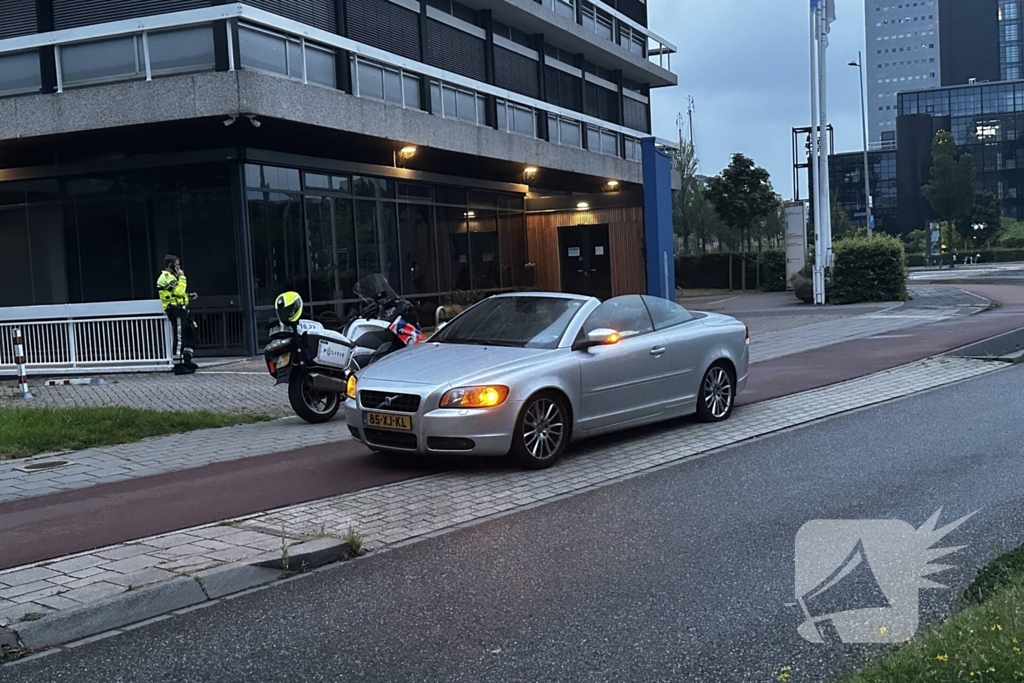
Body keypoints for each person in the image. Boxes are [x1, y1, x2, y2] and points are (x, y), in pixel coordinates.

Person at [157, 254, 199, 375]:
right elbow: (178, 291)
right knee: (179, 337)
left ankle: (186, 360)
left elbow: (178, 294)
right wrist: (182, 277)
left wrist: (189, 296)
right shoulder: (166, 277)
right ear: (171, 265)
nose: (179, 268)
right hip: (175, 310)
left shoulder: (172, 277)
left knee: (191, 334)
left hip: (181, 309)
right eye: (177, 265)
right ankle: (178, 365)